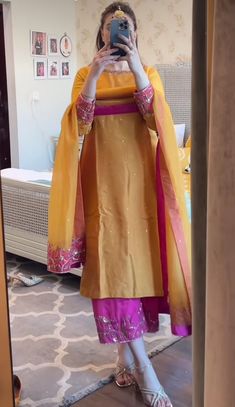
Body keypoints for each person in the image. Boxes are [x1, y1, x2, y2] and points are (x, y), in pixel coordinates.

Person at [48, 2, 191, 406]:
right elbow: (81, 121)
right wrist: (95, 71)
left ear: (135, 33)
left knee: (138, 268)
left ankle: (123, 354)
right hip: (102, 188)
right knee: (112, 270)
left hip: (143, 187)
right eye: (112, 27)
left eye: (125, 27)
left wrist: (137, 67)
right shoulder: (83, 75)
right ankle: (146, 369)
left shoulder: (150, 75)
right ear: (102, 33)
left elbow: (154, 118)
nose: (119, 32)